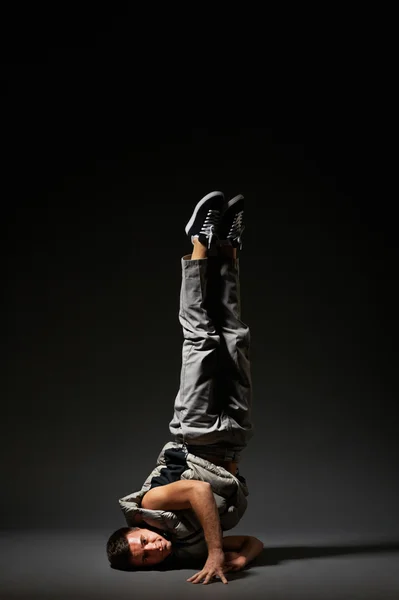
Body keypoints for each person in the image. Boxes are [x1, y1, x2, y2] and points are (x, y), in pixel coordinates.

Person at [106, 191, 263, 584]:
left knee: (202, 338)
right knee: (234, 335)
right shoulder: (186, 552)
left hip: (196, 431)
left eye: (141, 543)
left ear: (137, 527)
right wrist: (238, 560)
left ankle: (198, 239)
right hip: (233, 440)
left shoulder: (149, 505)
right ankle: (227, 246)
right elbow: (251, 542)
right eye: (147, 558)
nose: (153, 548)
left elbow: (198, 493)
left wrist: (214, 552)